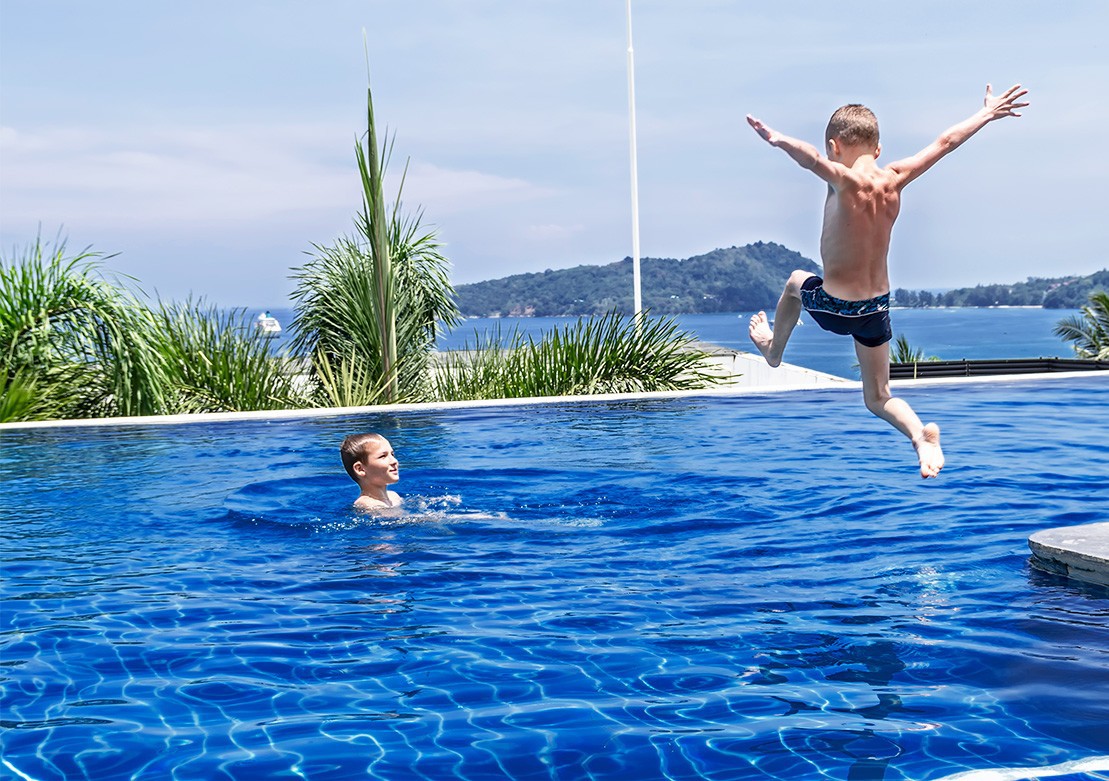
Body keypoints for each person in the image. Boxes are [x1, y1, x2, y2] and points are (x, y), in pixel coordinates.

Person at [745, 84, 1029, 478]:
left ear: (834, 146)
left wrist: (778, 140)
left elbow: (809, 160)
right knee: (878, 396)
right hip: (875, 310)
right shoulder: (895, 178)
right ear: (878, 149)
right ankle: (920, 437)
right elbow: (946, 142)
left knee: (796, 280)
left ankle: (774, 350)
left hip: (836, 306)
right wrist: (986, 113)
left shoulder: (843, 180)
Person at [340, 432, 403, 510]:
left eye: (392, 454)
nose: (394, 461)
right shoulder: (365, 504)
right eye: (383, 456)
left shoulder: (394, 496)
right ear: (360, 469)